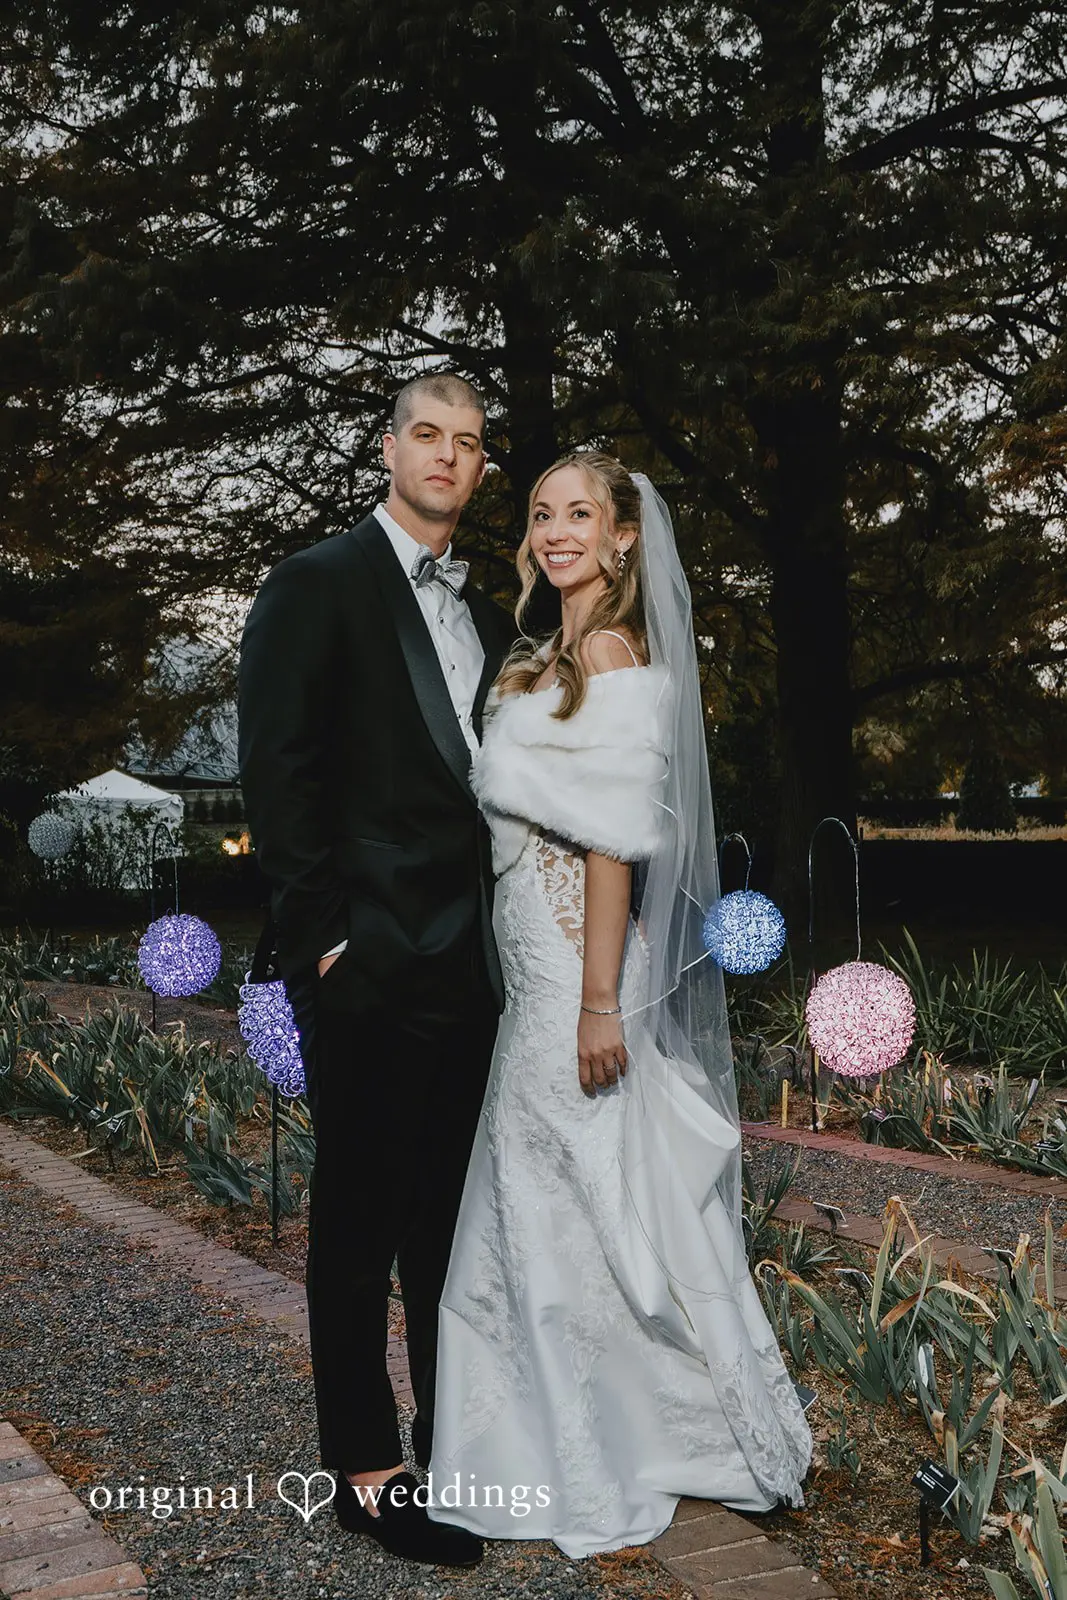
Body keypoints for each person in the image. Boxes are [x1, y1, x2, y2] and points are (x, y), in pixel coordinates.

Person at [427, 451, 813, 1558]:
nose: (554, 531)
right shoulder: (546, 647)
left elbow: (608, 846)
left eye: (577, 515)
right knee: (567, 1185)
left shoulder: (606, 652)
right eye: (542, 513)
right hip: (542, 960)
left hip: (575, 968)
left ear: (621, 537)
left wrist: (599, 1002)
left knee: (565, 1187)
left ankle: (592, 1439)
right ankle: (601, 1415)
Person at [237, 373, 514, 1568]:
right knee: (355, 1229)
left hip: (474, 973)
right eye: (426, 435)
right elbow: (280, 775)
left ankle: (454, 1441)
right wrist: (322, 944)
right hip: (365, 968)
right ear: (387, 446)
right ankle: (365, 1471)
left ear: (479, 466)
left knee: (449, 1228)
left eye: (466, 443)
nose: (445, 457)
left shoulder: (494, 619)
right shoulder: (314, 586)